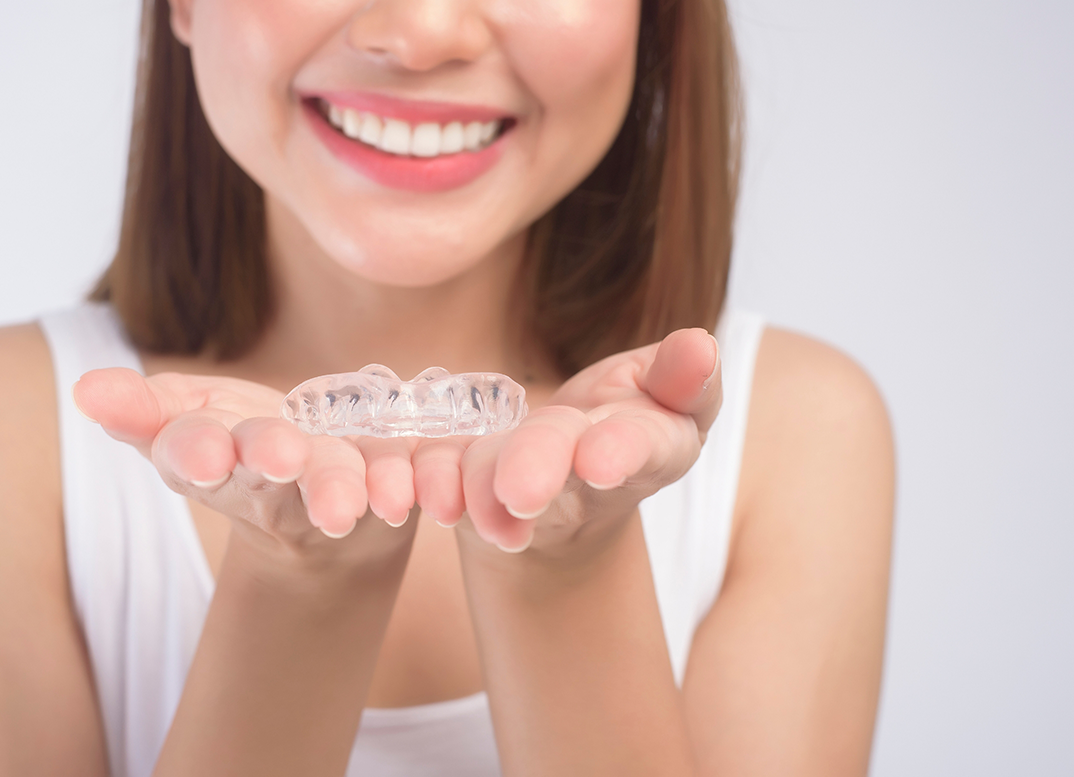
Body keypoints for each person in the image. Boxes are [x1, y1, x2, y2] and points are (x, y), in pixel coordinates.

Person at [0, 0, 896, 774]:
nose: (424, 32)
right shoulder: (23, 437)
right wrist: (299, 583)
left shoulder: (799, 438)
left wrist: (564, 571)